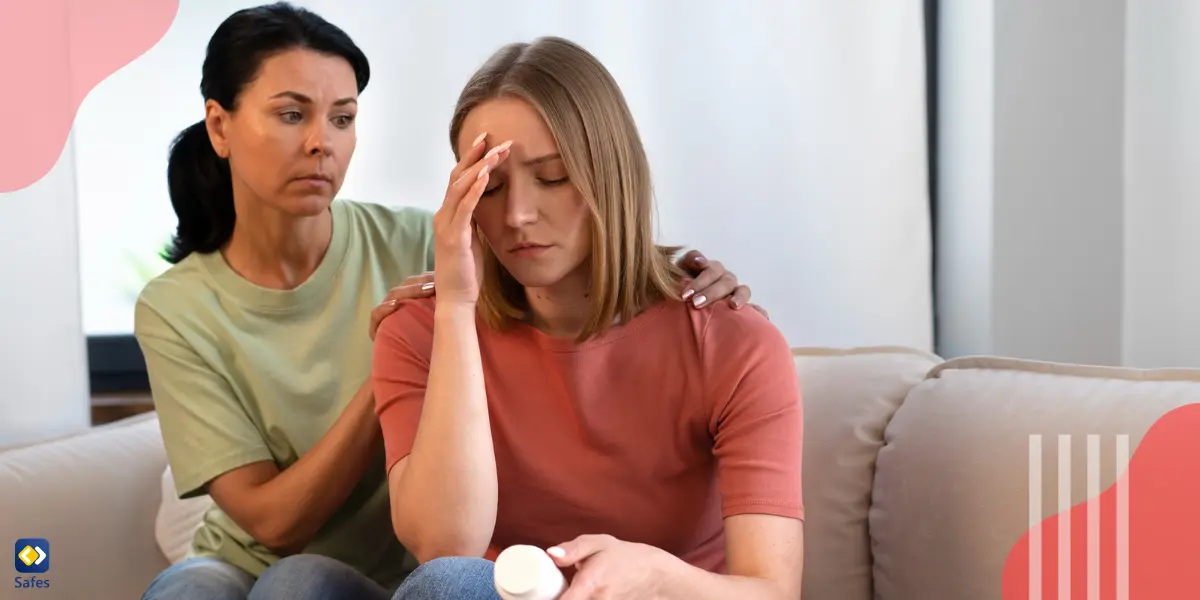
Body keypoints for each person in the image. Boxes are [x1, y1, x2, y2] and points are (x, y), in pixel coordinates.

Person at [136, 4, 760, 600]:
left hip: (400, 571)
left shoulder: (427, 243)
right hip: (276, 561)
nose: (321, 143)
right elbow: (273, 523)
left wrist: (662, 272)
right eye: (292, 115)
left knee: (312, 585)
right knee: (199, 588)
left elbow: (561, 266)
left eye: (343, 118)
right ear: (219, 125)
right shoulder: (177, 307)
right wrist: (390, 367)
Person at [372, 36, 804, 600]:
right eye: (491, 187)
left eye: (552, 177)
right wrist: (456, 309)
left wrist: (654, 574)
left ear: (613, 173)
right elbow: (444, 546)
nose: (519, 215)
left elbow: (774, 592)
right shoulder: (420, 330)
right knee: (425, 583)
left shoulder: (732, 343)